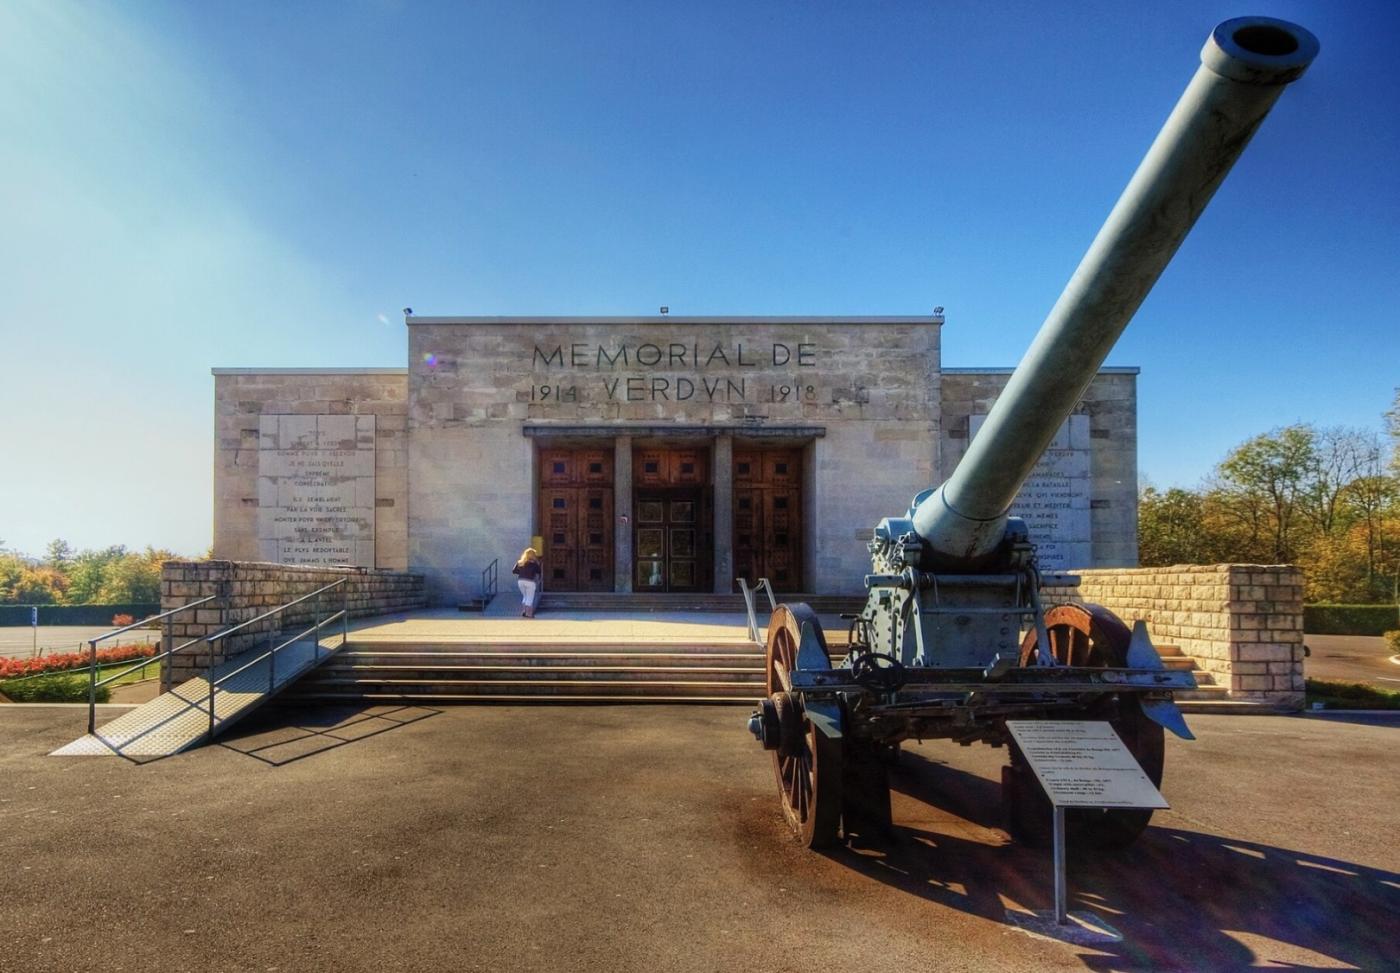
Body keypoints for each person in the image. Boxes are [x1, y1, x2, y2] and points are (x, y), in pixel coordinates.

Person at [512, 548, 542, 618]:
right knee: (530, 598)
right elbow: (539, 571)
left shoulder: (520, 562)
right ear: (534, 555)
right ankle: (529, 614)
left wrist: (521, 572)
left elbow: (514, 571)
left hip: (521, 581)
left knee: (525, 596)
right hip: (530, 582)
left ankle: (524, 611)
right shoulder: (534, 564)